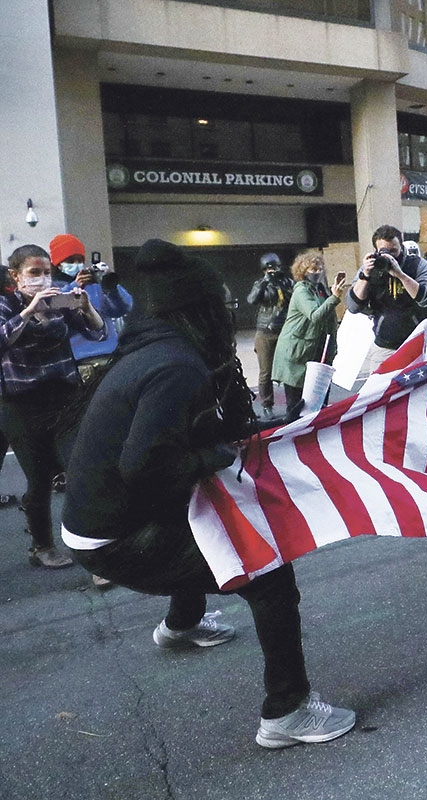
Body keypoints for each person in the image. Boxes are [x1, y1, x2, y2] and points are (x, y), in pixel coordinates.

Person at [62, 238, 355, 748]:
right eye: (218, 303)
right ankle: (287, 711)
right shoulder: (177, 367)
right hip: (113, 537)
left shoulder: (154, 348)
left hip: (102, 521)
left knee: (205, 519)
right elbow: (145, 467)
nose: (227, 311)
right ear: (197, 309)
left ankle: (182, 623)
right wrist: (213, 457)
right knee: (267, 573)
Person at [0, 245, 105, 569]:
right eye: (34, 273)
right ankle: (42, 545)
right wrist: (30, 309)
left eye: (46, 272)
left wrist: (85, 307)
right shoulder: (6, 305)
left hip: (63, 396)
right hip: (21, 401)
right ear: (16, 277)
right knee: (39, 477)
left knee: (78, 468)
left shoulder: (59, 300)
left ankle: (93, 554)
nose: (43, 279)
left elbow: (97, 332)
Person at [346, 225, 427, 380]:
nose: (390, 256)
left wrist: (401, 275)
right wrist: (365, 275)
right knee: (377, 397)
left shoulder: (417, 265)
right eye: (384, 251)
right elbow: (353, 306)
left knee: (416, 398)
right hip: (385, 346)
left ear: (402, 247)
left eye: (394, 251)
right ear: (376, 251)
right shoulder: (371, 267)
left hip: (418, 345)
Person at [49, 233, 133, 385]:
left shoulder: (94, 285)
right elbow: (57, 311)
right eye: (70, 260)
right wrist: (75, 286)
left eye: (80, 260)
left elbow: (122, 308)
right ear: (58, 264)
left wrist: (109, 287)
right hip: (78, 361)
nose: (77, 264)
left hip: (110, 355)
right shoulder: (52, 287)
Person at [272, 250, 347, 411]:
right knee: (297, 405)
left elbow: (329, 321)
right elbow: (315, 315)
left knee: (318, 403)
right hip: (296, 355)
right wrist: (334, 298)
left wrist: (332, 351)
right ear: (303, 271)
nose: (318, 272)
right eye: (313, 269)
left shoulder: (320, 289)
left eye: (320, 268)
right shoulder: (301, 291)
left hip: (316, 353)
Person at [245, 253, 293, 414]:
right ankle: (267, 405)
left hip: (284, 330)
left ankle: (292, 402)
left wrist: (282, 286)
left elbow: (294, 299)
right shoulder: (260, 283)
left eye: (275, 268)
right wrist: (265, 282)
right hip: (265, 331)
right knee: (266, 371)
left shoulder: (287, 282)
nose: (272, 271)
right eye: (268, 269)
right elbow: (251, 300)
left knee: (288, 368)